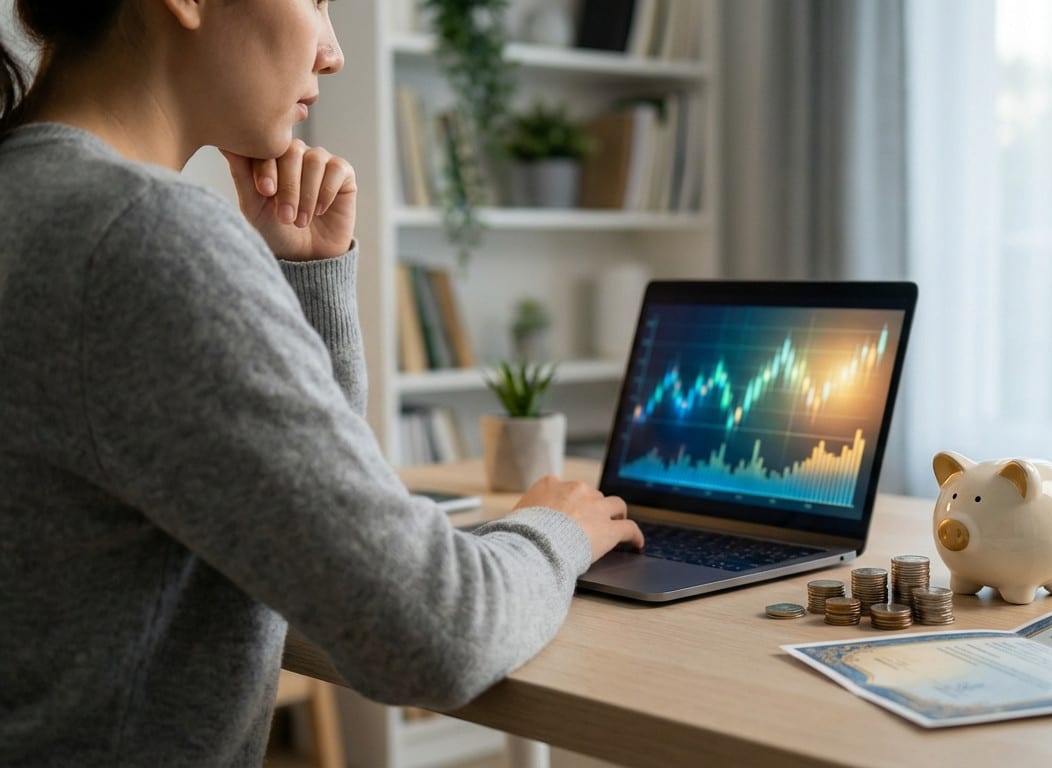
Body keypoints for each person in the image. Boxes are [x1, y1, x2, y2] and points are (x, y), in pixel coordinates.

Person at [0, 1, 644, 765]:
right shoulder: (141, 238)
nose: (333, 51)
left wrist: (305, 279)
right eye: (316, 0)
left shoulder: (32, 196)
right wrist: (553, 530)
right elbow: (434, 636)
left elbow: (314, 543)